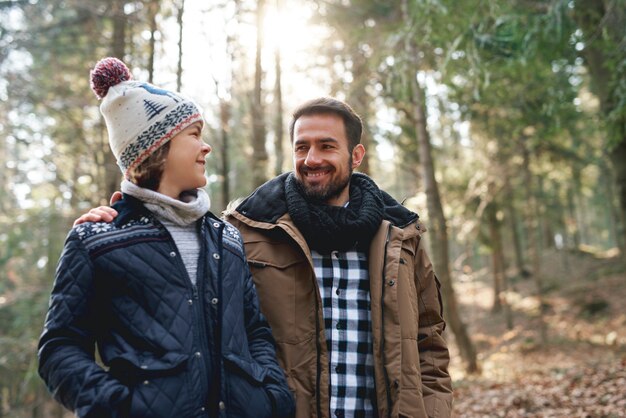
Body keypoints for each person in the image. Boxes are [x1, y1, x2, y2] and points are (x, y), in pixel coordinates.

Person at [77, 97, 453, 417]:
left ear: (356, 155)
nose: (311, 159)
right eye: (301, 147)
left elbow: (429, 343)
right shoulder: (243, 232)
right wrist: (121, 218)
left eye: (326, 146)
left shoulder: (401, 237)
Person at [38, 57, 294, 418]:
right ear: (156, 148)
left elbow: (255, 332)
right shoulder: (97, 240)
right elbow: (60, 348)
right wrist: (120, 407)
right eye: (194, 135)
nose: (206, 147)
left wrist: (271, 398)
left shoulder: (228, 240)